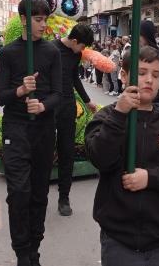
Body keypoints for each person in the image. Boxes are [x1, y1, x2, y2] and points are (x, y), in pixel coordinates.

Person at [85, 46, 159, 266]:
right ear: (123, 75)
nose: (149, 80)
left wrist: (151, 177)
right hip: (119, 240)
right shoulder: (106, 117)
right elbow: (99, 158)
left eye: (155, 75)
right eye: (141, 73)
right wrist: (120, 115)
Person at [0, 0, 62, 266]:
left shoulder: (52, 52)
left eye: (45, 19)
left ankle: (34, 247)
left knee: (39, 193)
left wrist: (43, 106)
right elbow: (1, 97)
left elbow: (59, 93)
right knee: (19, 192)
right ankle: (22, 251)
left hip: (44, 130)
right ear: (24, 20)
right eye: (37, 19)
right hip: (15, 128)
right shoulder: (8, 53)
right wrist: (21, 91)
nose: (43, 24)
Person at [54, 24, 97, 217]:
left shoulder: (75, 54)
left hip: (67, 107)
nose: (83, 51)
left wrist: (87, 101)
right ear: (73, 41)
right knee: (44, 149)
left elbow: (74, 78)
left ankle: (64, 197)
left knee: (67, 151)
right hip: (48, 107)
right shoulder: (51, 50)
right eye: (82, 46)